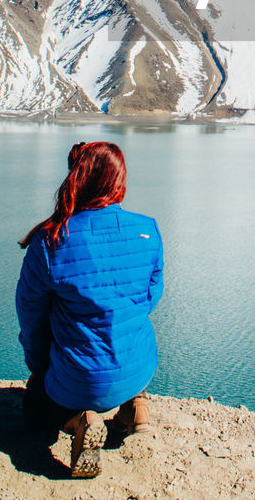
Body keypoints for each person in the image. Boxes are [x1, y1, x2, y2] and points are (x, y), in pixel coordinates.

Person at [16, 140, 164, 478]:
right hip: (139, 367)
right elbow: (148, 300)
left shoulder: (50, 240)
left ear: (76, 178)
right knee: (124, 324)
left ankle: (79, 419)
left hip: (76, 381)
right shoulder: (149, 230)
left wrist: (41, 369)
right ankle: (136, 405)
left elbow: (30, 315)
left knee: (35, 409)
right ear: (119, 181)